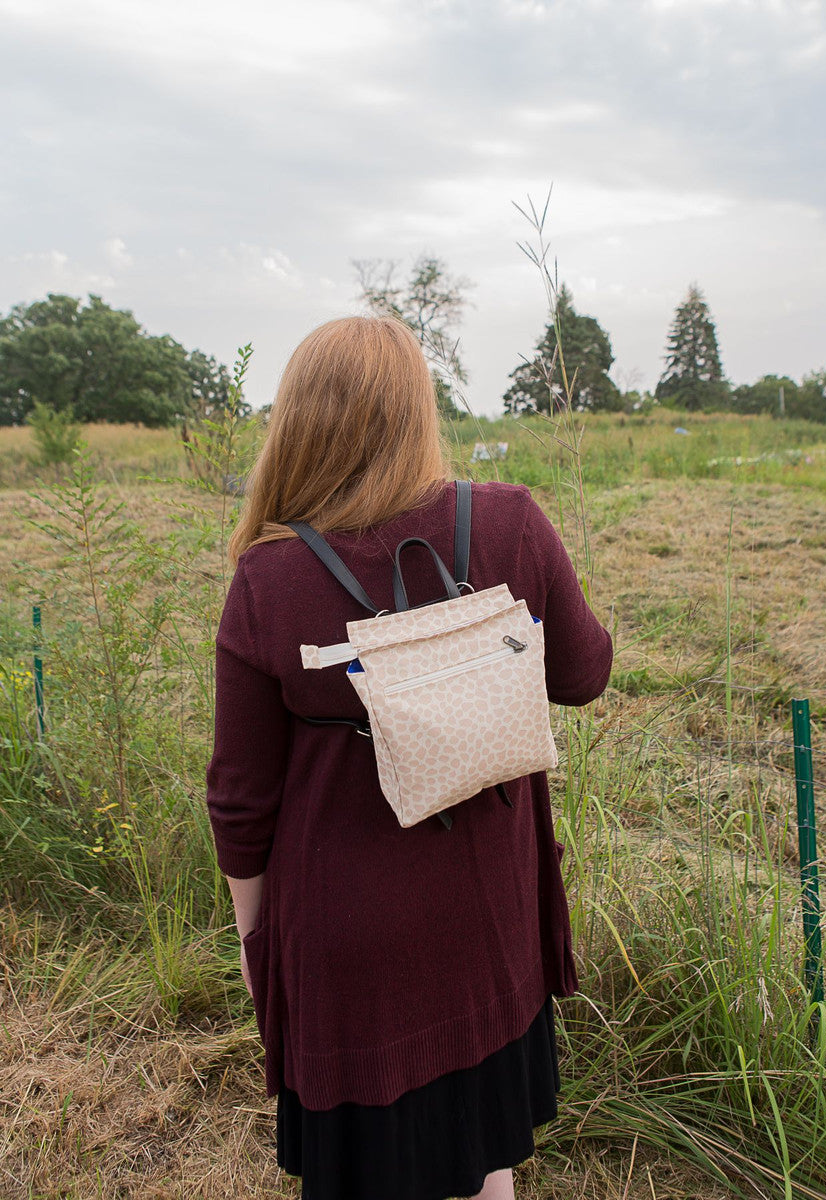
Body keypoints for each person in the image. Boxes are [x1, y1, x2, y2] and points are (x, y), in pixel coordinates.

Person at [205, 314, 613, 1200]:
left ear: (298, 424)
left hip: (350, 950)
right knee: (484, 1153)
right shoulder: (508, 523)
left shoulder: (266, 581)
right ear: (418, 412)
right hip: (490, 917)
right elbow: (585, 674)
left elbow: (240, 801)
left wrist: (254, 935)